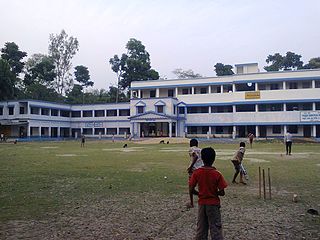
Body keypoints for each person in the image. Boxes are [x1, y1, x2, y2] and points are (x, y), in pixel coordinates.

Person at [189, 147, 228, 240]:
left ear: (202, 158)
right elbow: (222, 192)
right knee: (215, 229)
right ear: (214, 159)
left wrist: (199, 193)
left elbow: (191, 189)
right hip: (213, 204)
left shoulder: (197, 172)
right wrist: (214, 192)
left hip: (202, 204)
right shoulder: (217, 174)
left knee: (201, 229)